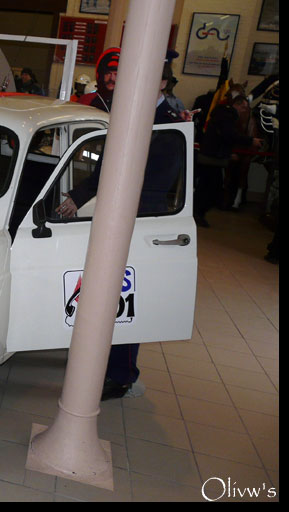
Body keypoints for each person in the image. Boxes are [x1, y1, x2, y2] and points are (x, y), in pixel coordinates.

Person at [55, 51, 194, 400]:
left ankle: (121, 375)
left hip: (141, 221)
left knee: (125, 299)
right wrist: (76, 196)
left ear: (163, 82)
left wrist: (116, 210)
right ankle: (97, 362)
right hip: (116, 216)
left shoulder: (170, 122)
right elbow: (106, 166)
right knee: (102, 293)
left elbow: (158, 182)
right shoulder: (132, 114)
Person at [194, 93, 263, 227]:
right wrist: (250, 140)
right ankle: (198, 213)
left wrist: (227, 153)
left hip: (211, 156)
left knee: (205, 187)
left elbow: (222, 137)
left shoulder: (222, 115)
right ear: (236, 105)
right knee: (212, 189)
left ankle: (197, 213)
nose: (245, 111)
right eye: (243, 107)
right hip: (212, 158)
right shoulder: (227, 117)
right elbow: (229, 135)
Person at [79, 47, 119, 113]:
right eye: (108, 73)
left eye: (116, 74)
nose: (112, 78)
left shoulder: (127, 102)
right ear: (101, 75)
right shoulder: (86, 100)